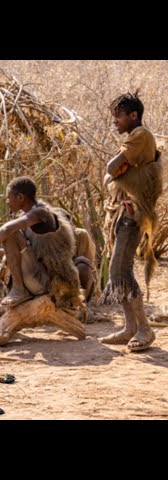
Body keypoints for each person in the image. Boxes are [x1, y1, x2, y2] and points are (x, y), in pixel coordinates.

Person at [0, 176, 82, 339]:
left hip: (47, 283)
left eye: (8, 198)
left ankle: (19, 290)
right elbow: (18, 256)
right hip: (30, 277)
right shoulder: (27, 219)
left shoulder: (41, 212)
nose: (7, 202)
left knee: (10, 234)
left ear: (20, 197)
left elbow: (7, 230)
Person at [98, 91, 163, 351]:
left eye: (119, 116)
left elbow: (112, 168)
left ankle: (144, 329)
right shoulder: (135, 139)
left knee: (119, 272)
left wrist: (114, 172)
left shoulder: (141, 136)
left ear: (133, 115)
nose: (115, 122)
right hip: (123, 216)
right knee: (119, 273)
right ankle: (129, 328)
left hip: (132, 217)